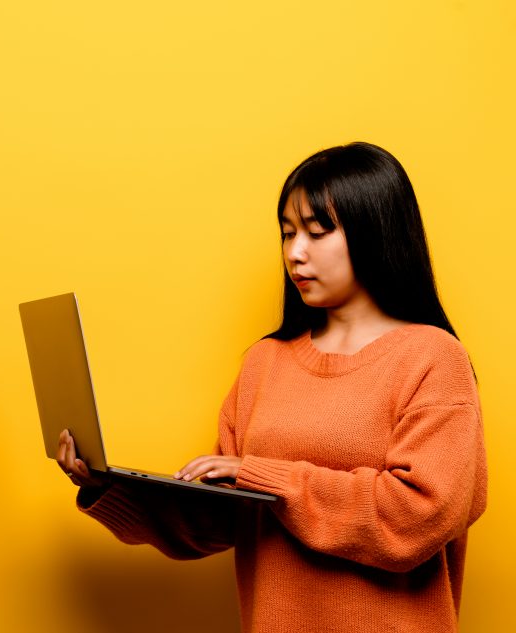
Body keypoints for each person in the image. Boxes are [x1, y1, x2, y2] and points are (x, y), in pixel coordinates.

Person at [56, 142, 487, 633]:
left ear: (377, 231)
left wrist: (267, 477)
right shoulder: (265, 363)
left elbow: (416, 517)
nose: (294, 253)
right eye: (287, 233)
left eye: (317, 232)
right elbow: (222, 521)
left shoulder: (433, 358)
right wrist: (106, 485)